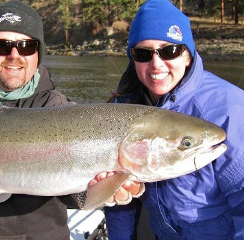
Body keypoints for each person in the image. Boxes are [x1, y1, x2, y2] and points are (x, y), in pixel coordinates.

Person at [0, 1, 142, 239]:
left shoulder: (57, 109)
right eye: (0, 46)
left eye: (26, 46)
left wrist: (99, 190)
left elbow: (72, 191)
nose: (14, 55)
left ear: (38, 54)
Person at [103, 0, 244, 239]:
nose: (156, 64)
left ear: (188, 55)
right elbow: (120, 206)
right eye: (143, 54)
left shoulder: (231, 109)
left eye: (170, 51)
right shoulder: (124, 107)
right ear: (133, 59)